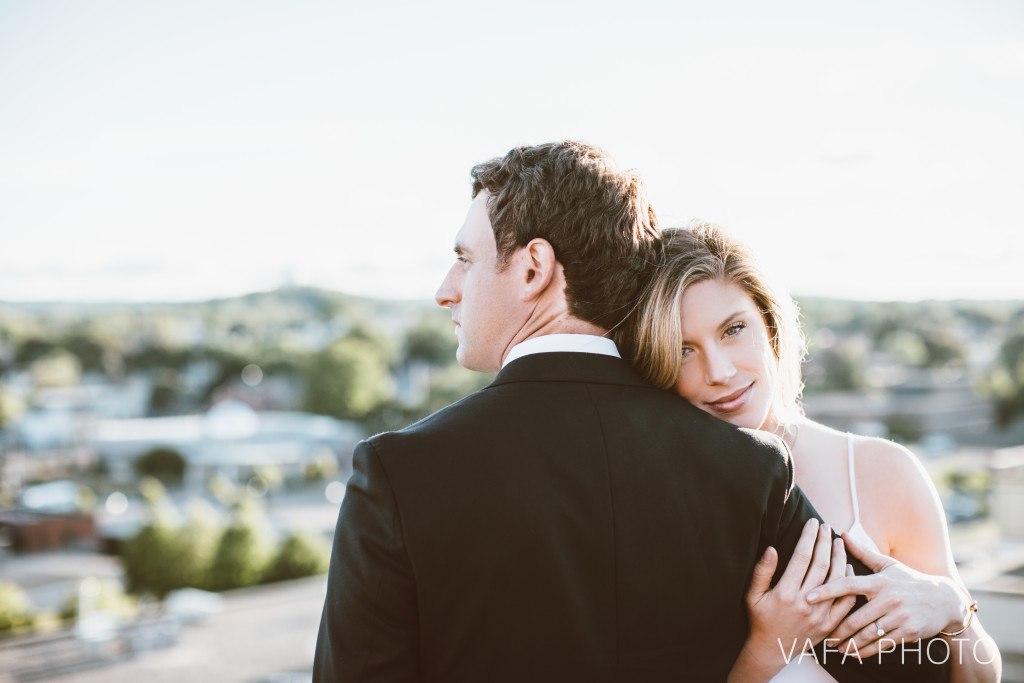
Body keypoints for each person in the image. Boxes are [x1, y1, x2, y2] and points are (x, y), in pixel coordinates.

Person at [312, 141, 945, 682]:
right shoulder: (749, 470)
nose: (445, 289)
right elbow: (919, 666)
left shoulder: (398, 473)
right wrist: (942, 603)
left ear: (534, 267)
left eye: (466, 259)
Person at [617, 221, 1001, 682]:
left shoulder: (882, 472)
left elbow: (981, 674)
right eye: (682, 350)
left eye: (734, 329)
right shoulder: (649, 506)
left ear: (770, 326)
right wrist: (765, 648)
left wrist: (954, 607)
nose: (718, 370)